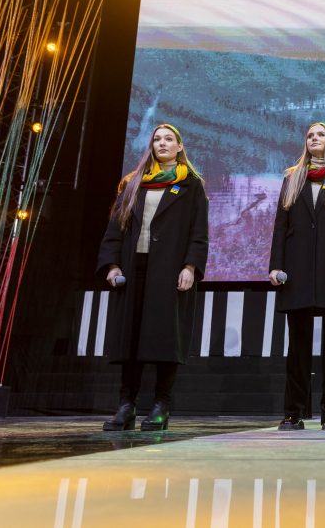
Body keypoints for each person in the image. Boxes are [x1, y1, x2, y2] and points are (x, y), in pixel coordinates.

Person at [97, 124, 209, 431]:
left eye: (168, 139)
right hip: (133, 271)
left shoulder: (191, 185)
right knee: (129, 339)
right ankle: (126, 405)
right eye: (157, 139)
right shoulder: (133, 184)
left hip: (169, 271)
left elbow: (199, 234)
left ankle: (161, 405)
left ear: (179, 147)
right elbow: (114, 230)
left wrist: (190, 267)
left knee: (164, 338)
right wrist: (112, 266)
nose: (162, 143)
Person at [268, 122, 325, 432]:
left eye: (320, 134)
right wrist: (275, 265)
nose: (314, 139)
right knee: (298, 347)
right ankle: (293, 413)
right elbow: (281, 227)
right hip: (296, 271)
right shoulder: (292, 179)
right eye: (310, 135)